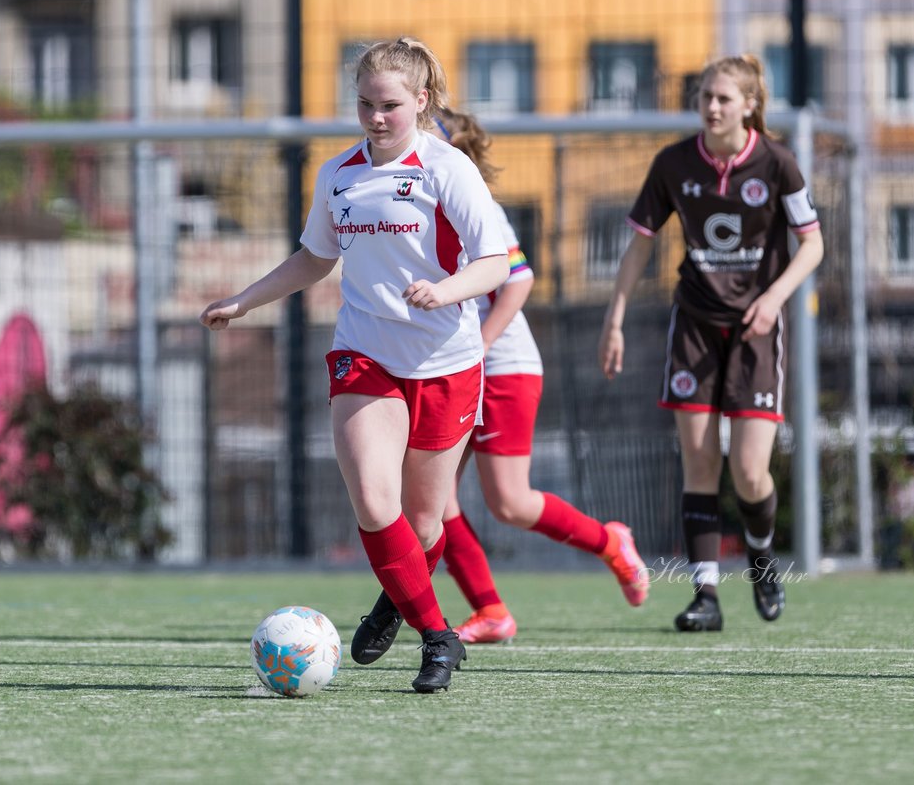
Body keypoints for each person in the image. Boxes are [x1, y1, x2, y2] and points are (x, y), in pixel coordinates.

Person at [200, 37, 508, 692]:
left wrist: (445, 290)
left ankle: (395, 600)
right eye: (365, 103)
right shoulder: (338, 173)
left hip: (446, 361)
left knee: (425, 523)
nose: (375, 117)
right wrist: (244, 300)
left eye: (390, 105)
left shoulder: (447, 169)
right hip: (364, 353)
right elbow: (315, 257)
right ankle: (438, 637)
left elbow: (496, 263)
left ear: (421, 102)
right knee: (373, 499)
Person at [598, 54, 823, 632]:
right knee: (699, 461)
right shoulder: (674, 163)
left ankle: (761, 556)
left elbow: (812, 245)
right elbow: (641, 245)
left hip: (754, 331)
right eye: (704, 97)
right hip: (694, 327)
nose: (712, 106)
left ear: (749, 104)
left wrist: (773, 299)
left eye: (723, 97)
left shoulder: (777, 163)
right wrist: (615, 317)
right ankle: (705, 596)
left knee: (750, 472)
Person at [434, 107, 650, 644]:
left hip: (502, 365)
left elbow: (519, 279)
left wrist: (480, 349)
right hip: (451, 366)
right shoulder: (406, 206)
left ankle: (610, 542)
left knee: (509, 502)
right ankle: (490, 611)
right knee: (433, 500)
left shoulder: (473, 202)